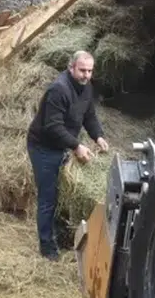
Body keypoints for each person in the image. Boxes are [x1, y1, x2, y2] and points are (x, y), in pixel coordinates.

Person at [26, 50, 108, 260]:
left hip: (62, 145)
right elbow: (53, 126)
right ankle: (47, 247)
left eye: (90, 71)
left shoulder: (86, 87)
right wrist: (76, 146)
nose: (86, 75)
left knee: (63, 193)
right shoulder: (58, 89)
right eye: (82, 70)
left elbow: (89, 115)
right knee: (49, 196)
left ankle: (59, 236)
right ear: (71, 67)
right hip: (44, 147)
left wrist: (98, 136)